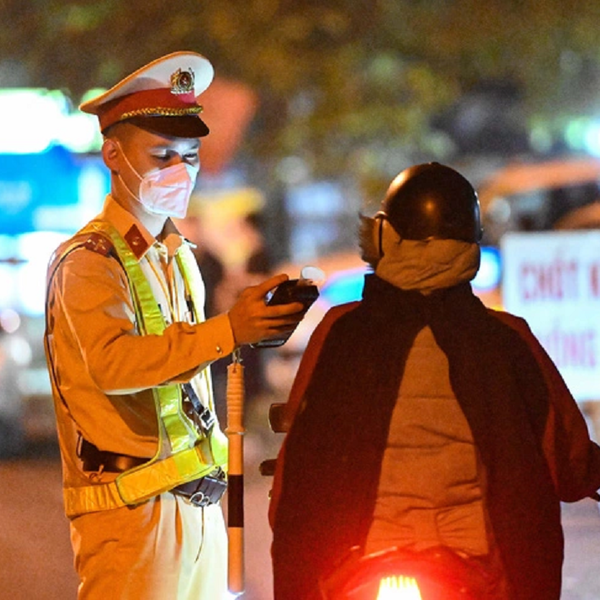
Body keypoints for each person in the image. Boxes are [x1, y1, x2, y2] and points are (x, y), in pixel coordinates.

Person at [269, 162, 600, 600]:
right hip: (481, 571)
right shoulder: (508, 338)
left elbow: (299, 451)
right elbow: (569, 458)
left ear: (385, 237)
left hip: (353, 567)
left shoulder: (340, 329)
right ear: (471, 243)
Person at [43, 51, 305, 600]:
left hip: (198, 508)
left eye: (189, 156)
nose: (179, 171)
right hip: (133, 519)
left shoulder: (176, 253)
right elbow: (114, 366)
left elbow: (182, 367)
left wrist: (248, 325)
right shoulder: (90, 260)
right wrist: (228, 330)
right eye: (161, 154)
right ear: (113, 154)